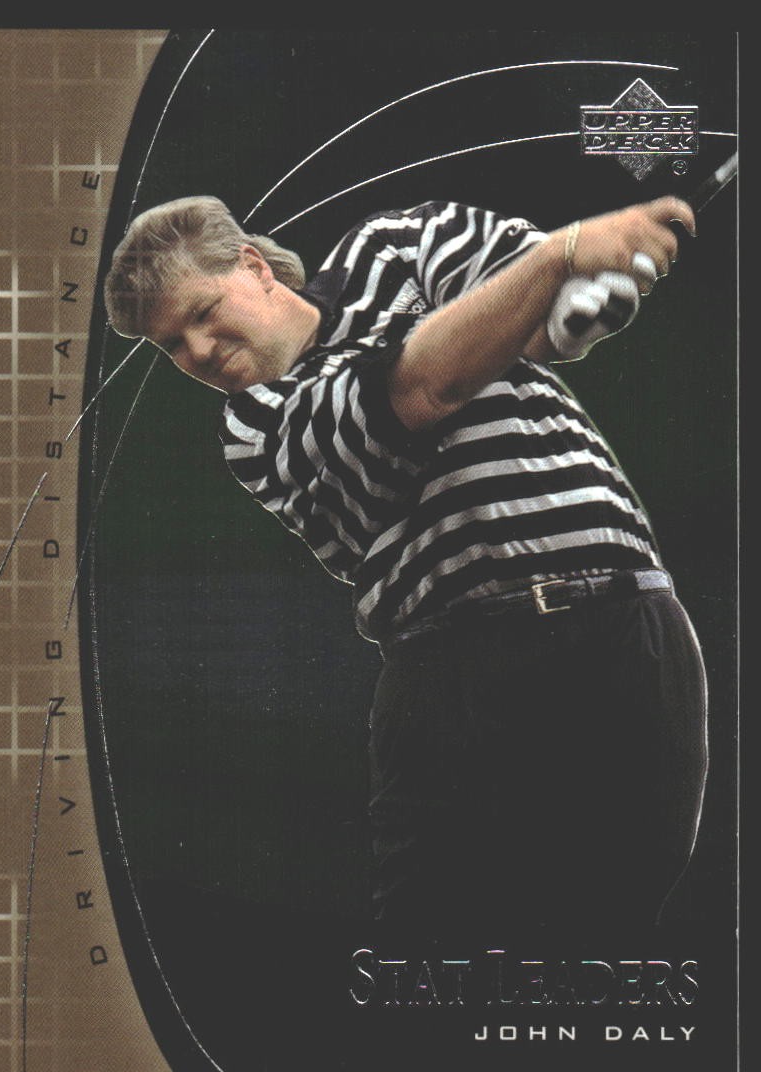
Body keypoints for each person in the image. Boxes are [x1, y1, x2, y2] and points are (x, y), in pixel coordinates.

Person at [105, 194, 708, 938]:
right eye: (171, 345)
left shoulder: (395, 243)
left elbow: (537, 306)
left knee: (612, 934)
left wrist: (578, 298)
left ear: (253, 266)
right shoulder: (255, 423)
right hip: (460, 672)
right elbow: (424, 386)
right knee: (437, 949)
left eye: (201, 313)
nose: (196, 351)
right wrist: (565, 255)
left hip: (633, 629)